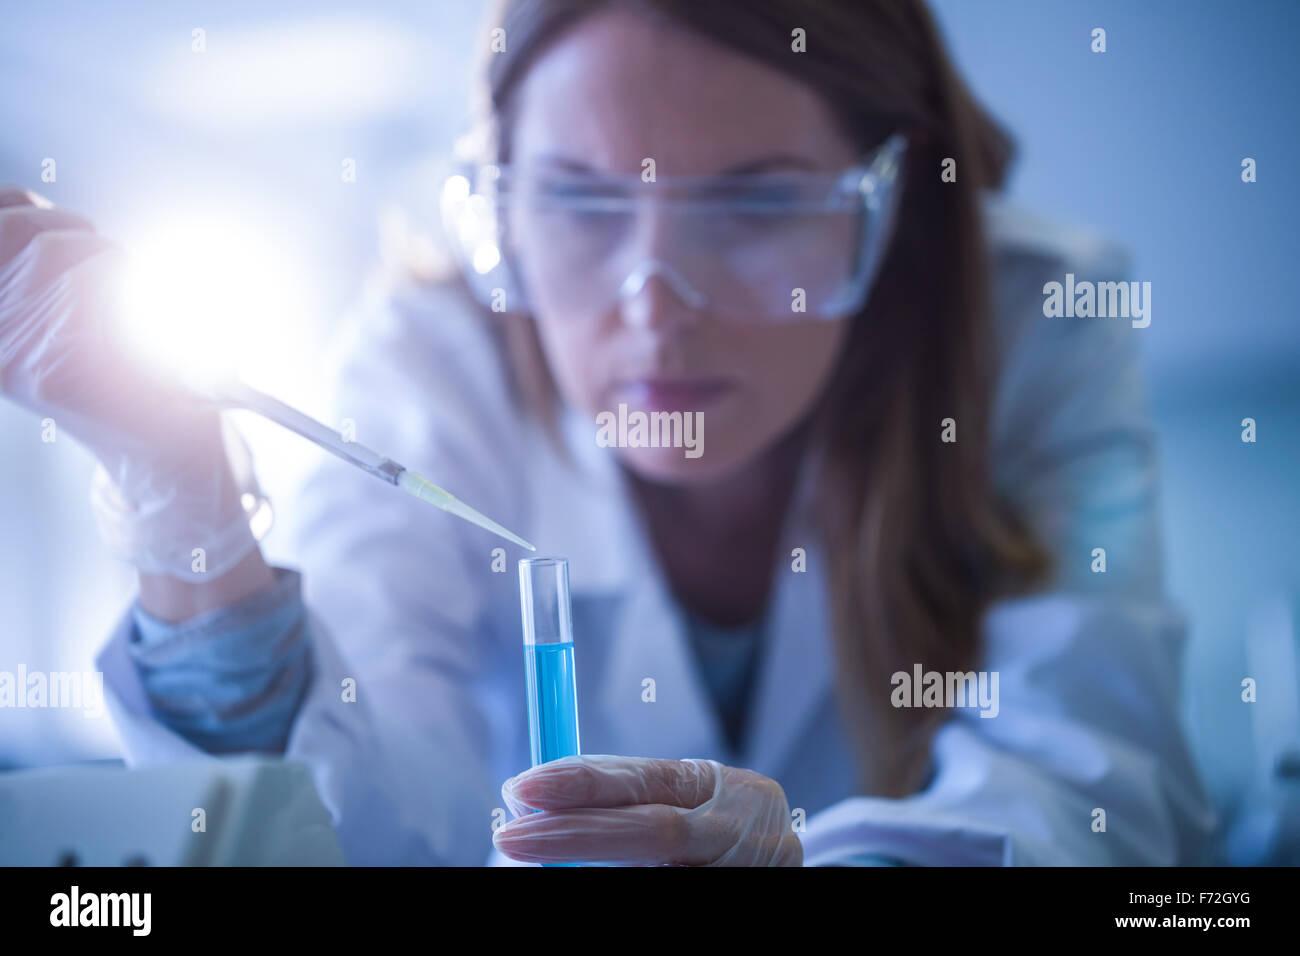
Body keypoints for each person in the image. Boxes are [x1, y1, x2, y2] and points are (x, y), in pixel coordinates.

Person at [0, 0, 1214, 865]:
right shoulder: (434, 355)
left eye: (751, 200)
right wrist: (178, 495)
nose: (652, 302)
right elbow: (333, 819)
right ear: (503, 208)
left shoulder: (1025, 323)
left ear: (886, 204)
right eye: (579, 199)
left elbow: (1087, 796)